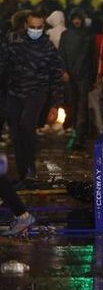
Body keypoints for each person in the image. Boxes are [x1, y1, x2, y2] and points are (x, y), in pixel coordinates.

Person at [0, 11, 64, 186]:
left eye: (39, 27)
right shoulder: (13, 41)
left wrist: (56, 104)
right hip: (14, 93)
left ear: (43, 27)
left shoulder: (47, 46)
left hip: (37, 92)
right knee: (15, 134)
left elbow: (56, 75)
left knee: (26, 126)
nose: (36, 30)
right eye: (32, 27)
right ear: (26, 26)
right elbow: (3, 66)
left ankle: (30, 171)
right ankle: (23, 173)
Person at [60, 10, 97, 142]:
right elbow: (61, 54)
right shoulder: (66, 35)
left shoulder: (88, 36)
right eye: (75, 19)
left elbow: (93, 58)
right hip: (70, 75)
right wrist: (63, 71)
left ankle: (79, 132)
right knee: (73, 103)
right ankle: (77, 129)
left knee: (82, 104)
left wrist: (93, 77)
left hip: (83, 75)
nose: (77, 21)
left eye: (78, 19)